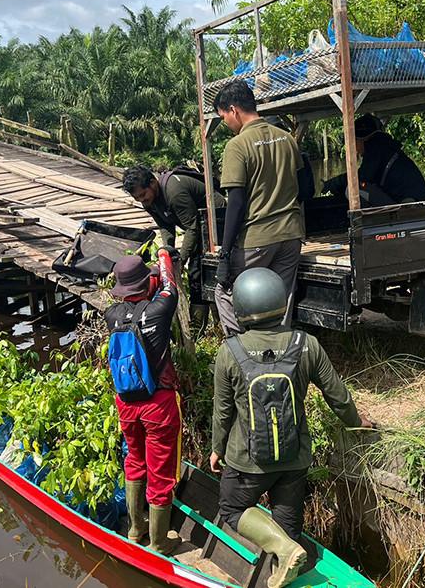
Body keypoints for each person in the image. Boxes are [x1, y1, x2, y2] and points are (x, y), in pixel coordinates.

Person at [210, 268, 372, 588]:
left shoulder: (230, 351)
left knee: (232, 508)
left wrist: (217, 449)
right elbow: (337, 395)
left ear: (241, 309)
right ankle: (285, 560)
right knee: (287, 524)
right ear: (281, 303)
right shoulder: (306, 344)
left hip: (247, 461)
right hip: (294, 458)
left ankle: (284, 550)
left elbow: (223, 411)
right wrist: (357, 423)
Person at [212, 81, 308, 337]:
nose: (226, 124)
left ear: (233, 110)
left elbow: (237, 202)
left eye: (223, 118)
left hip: (256, 239)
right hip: (291, 235)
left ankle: (239, 351)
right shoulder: (287, 138)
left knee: (226, 293)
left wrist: (224, 255)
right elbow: (306, 186)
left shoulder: (238, 145)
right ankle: (278, 355)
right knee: (281, 300)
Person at [105, 247, 182, 554]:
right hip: (158, 404)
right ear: (145, 283)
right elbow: (169, 284)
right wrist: (163, 255)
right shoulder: (159, 310)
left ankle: (136, 531)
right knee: (161, 474)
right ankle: (160, 542)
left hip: (126, 403)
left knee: (134, 462)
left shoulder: (111, 315)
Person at [122, 165, 224, 307]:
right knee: (196, 277)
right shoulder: (149, 201)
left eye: (143, 194)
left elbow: (192, 228)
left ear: (152, 182)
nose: (142, 200)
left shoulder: (174, 192)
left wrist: (181, 260)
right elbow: (165, 225)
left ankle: (209, 316)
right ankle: (199, 319)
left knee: (202, 272)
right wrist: (168, 252)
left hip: (216, 220)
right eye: (137, 198)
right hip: (197, 225)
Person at [323, 114, 425, 206]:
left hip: (407, 203)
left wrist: (335, 183)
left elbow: (362, 178)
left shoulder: (376, 147)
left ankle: (370, 225)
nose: (354, 147)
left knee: (353, 189)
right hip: (414, 199)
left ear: (361, 139)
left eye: (354, 141)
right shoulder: (384, 146)